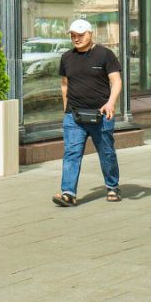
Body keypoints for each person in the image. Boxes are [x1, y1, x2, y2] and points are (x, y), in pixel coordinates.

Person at [52, 19, 122, 207]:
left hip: (101, 115)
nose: (76, 38)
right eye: (73, 35)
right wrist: (66, 109)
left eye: (81, 35)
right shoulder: (67, 57)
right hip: (74, 116)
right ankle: (68, 194)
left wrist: (111, 103)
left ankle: (112, 186)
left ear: (90, 34)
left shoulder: (105, 54)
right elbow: (65, 84)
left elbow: (116, 81)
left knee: (106, 153)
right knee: (71, 153)